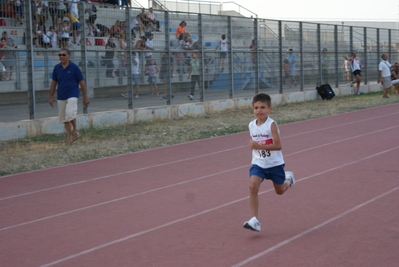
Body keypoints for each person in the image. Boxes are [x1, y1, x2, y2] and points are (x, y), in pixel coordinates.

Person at [243, 92, 295, 232]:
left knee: (279, 191)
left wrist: (259, 146)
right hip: (259, 163)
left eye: (262, 107)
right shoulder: (251, 125)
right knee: (253, 186)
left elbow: (278, 146)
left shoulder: (271, 125)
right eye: (256, 108)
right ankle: (255, 220)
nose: (259, 110)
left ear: (269, 109)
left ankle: (288, 179)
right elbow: (254, 143)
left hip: (274, 164)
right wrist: (253, 146)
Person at [49, 48, 90, 144]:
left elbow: (81, 82)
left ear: (68, 56)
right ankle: (69, 137)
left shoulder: (74, 67)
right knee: (64, 118)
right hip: (61, 95)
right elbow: (54, 82)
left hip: (72, 94)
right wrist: (51, 96)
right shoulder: (56, 68)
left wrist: (85, 96)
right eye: (59, 55)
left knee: (70, 113)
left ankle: (75, 128)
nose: (61, 57)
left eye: (63, 55)